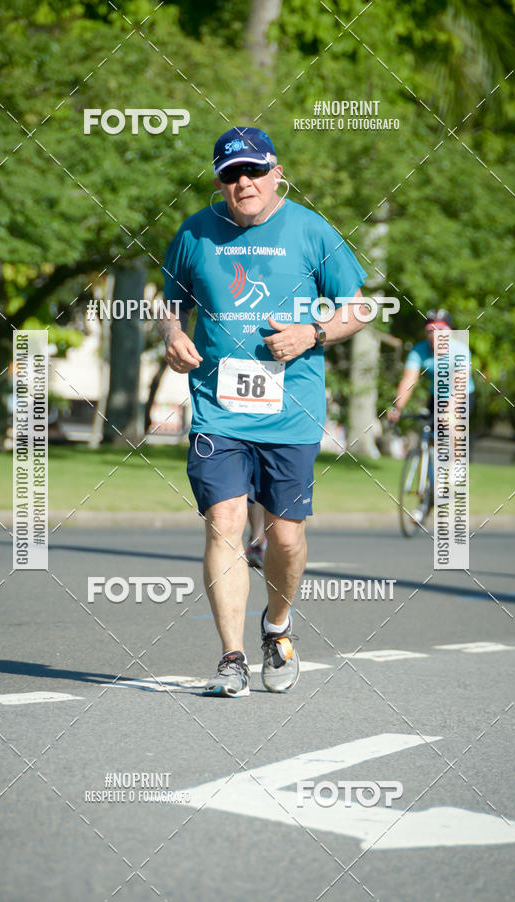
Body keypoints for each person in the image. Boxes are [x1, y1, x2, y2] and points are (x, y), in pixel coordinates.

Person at [159, 126, 368, 697]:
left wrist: (313, 332)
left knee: (285, 538)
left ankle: (277, 626)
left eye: (252, 171)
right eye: (230, 173)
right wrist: (173, 335)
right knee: (224, 522)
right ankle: (230, 657)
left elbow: (360, 305)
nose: (243, 182)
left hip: (291, 411)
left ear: (277, 173)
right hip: (217, 409)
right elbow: (170, 301)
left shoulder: (309, 229)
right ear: (220, 181)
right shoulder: (195, 232)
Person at [387, 308, 475, 521]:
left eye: (440, 331)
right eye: (430, 331)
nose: (435, 336)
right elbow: (409, 381)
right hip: (435, 397)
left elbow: (460, 385)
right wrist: (397, 407)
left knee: (452, 424)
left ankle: (457, 465)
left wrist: (450, 411)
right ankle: (425, 501)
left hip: (461, 396)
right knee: (426, 446)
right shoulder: (419, 351)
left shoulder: (460, 351)